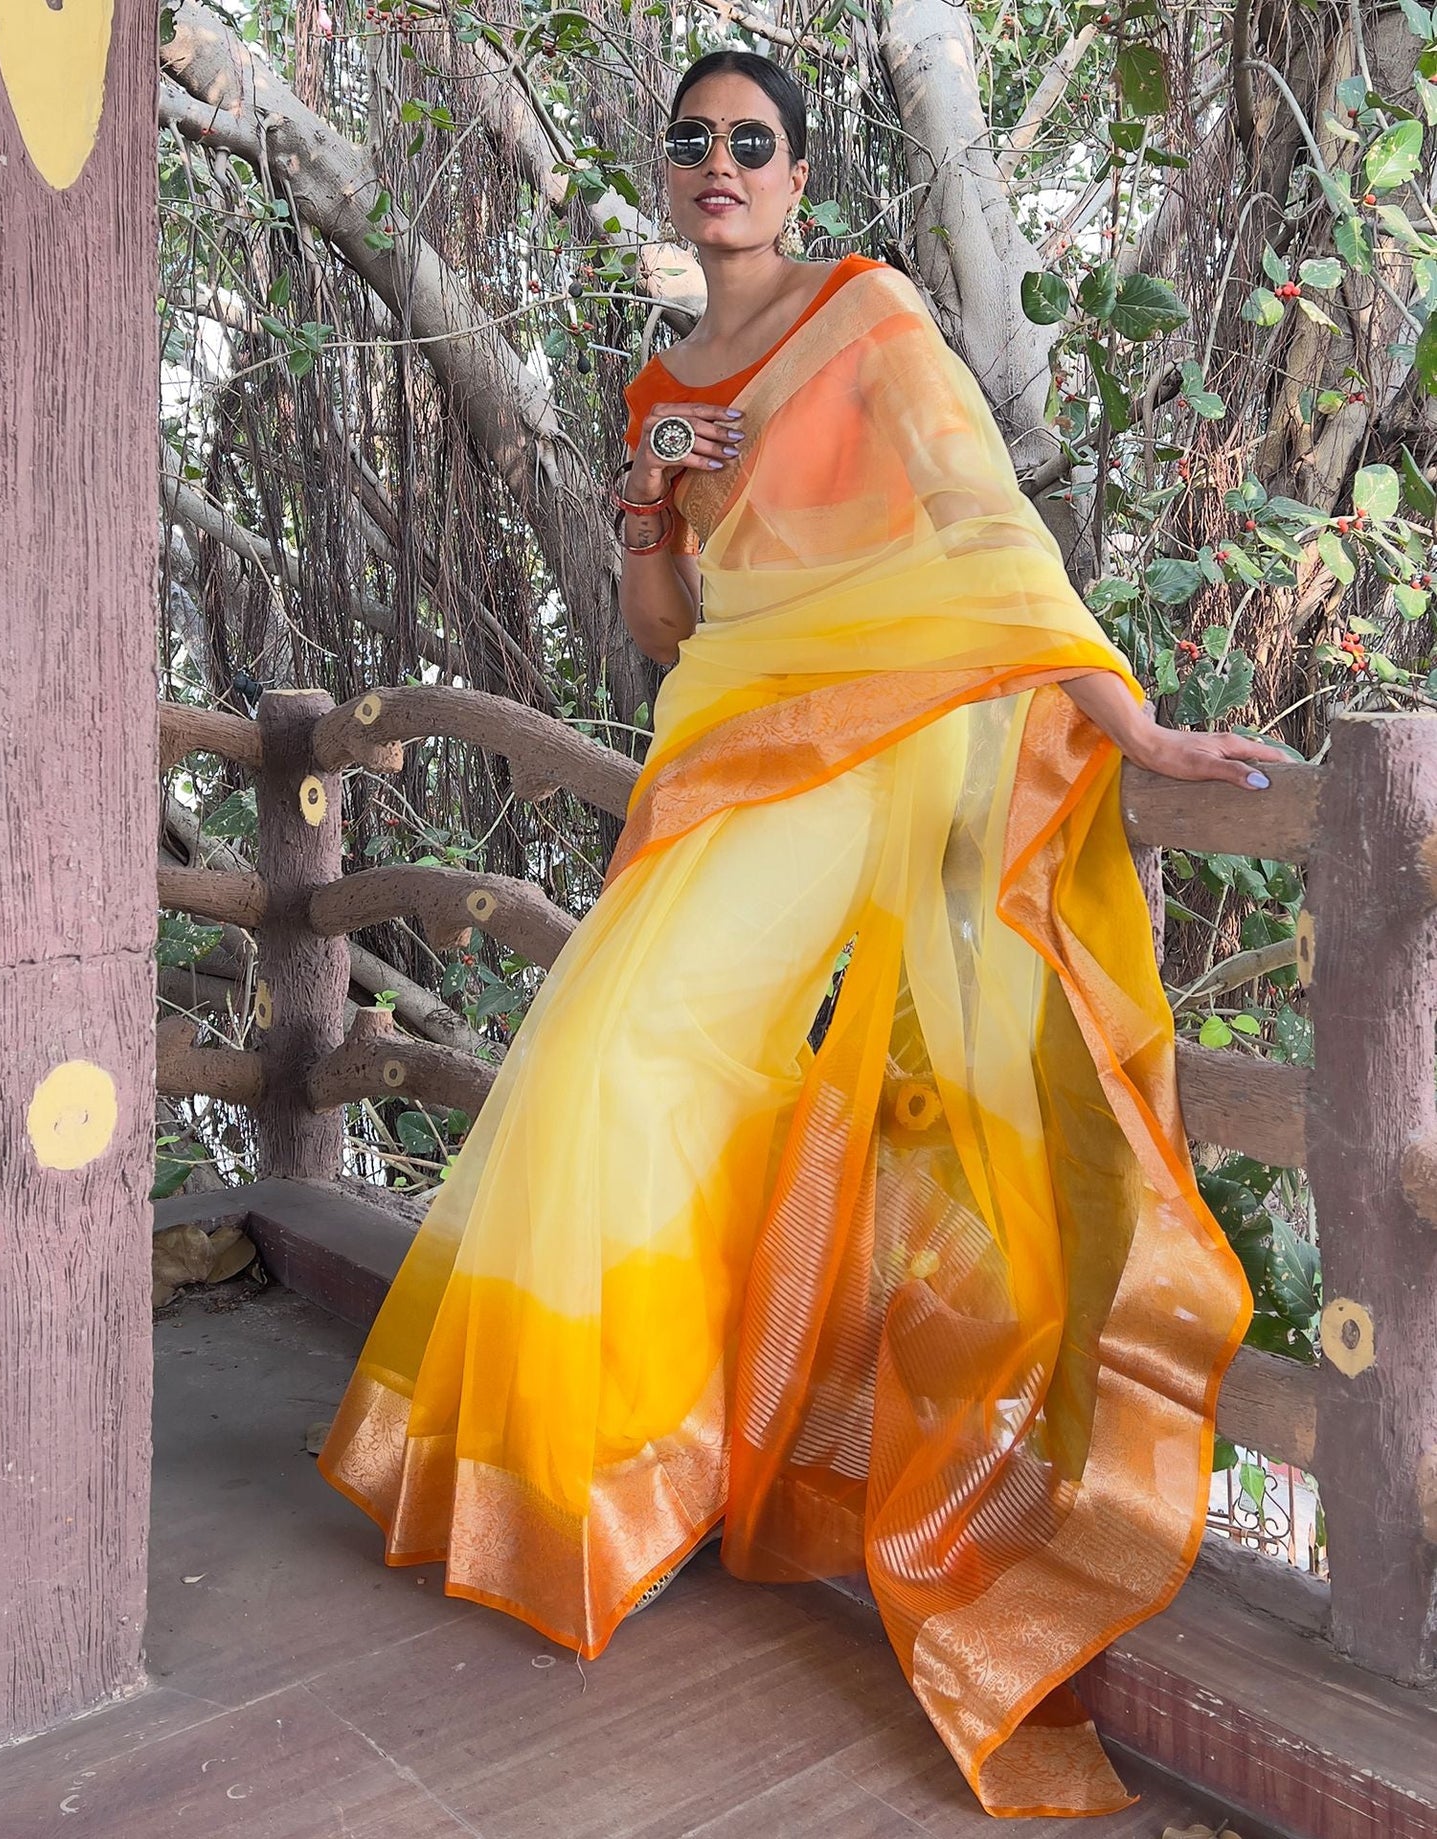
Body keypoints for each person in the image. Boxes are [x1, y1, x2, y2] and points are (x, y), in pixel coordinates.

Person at [320, 50, 1283, 1819]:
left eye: (747, 144)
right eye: (687, 144)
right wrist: (643, 498)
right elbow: (659, 621)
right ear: (667, 175)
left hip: (876, 744)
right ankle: (621, 1470)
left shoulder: (864, 311)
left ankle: (776, 1452)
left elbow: (986, 531)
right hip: (728, 737)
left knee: (758, 1063)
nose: (716, 167)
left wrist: (1126, 725)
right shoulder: (651, 381)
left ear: (797, 175)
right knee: (618, 1065)